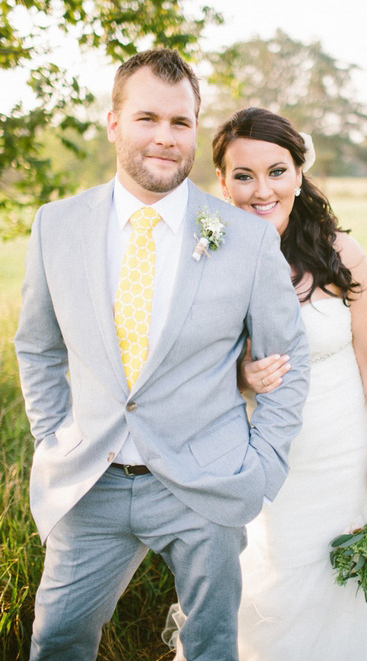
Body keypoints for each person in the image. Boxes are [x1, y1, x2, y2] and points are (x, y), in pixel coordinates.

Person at [14, 53, 310, 661]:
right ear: (114, 122)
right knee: (57, 639)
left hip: (206, 485)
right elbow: (38, 348)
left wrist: (263, 467)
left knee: (210, 647)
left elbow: (289, 358)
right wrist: (53, 437)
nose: (165, 137)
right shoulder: (56, 226)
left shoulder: (246, 237)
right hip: (88, 482)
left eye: (182, 122)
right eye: (147, 117)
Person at [165, 107, 367, 660]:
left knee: (343, 577)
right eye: (243, 175)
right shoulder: (211, 256)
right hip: (264, 457)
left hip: (345, 450)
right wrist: (240, 375)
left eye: (277, 171)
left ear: (299, 176)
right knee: (273, 570)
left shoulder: (340, 254)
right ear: (223, 183)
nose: (262, 190)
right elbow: (184, 368)